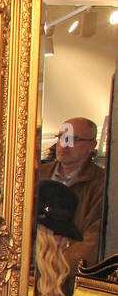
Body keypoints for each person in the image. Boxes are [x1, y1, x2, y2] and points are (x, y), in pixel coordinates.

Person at [37, 117, 106, 274]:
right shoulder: (37, 175)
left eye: (73, 139)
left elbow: (93, 241)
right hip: (27, 275)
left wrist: (56, 268)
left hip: (65, 278)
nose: (64, 145)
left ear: (91, 146)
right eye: (61, 137)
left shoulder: (101, 184)